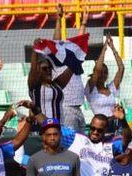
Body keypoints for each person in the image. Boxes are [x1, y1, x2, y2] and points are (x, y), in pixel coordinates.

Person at [52, 4, 88, 132]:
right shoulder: (58, 63)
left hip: (78, 107)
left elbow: (79, 42)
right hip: (66, 108)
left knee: (82, 144)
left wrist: (83, 22)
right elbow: (55, 41)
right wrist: (59, 19)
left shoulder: (75, 62)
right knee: (71, 143)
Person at [85, 35, 124, 134]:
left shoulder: (111, 88)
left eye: (105, 72)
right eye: (101, 72)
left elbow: (121, 69)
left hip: (115, 125)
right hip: (99, 127)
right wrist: (104, 49)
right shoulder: (91, 88)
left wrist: (113, 48)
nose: (103, 74)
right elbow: (97, 69)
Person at [28, 38, 72, 123]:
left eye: (50, 68)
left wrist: (78, 53)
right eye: (44, 69)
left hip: (58, 128)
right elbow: (33, 69)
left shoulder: (56, 85)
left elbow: (71, 68)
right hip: (40, 128)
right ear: (38, 71)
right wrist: (35, 49)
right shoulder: (34, 85)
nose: (48, 70)